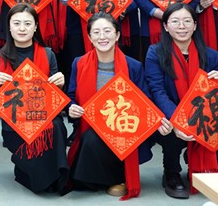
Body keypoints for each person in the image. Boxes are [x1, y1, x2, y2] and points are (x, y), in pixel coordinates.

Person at [66, 13, 173, 199]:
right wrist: (72, 107)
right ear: (89, 37)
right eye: (96, 32)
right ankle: (110, 178)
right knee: (77, 178)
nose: (102, 37)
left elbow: (145, 100)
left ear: (117, 35)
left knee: (92, 140)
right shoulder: (79, 63)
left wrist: (158, 121)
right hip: (89, 125)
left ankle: (115, 176)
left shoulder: (133, 66)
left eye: (107, 31)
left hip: (123, 129)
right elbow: (71, 96)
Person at [144, 3, 218, 199]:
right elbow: (157, 91)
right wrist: (179, 121)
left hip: (203, 117)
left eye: (187, 21)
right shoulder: (155, 53)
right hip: (170, 115)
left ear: (195, 25)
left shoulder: (212, 56)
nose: (182, 26)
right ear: (165, 26)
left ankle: (194, 160)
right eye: (175, 21)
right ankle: (171, 172)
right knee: (169, 132)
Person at [0, 4, 67, 193]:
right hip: (15, 127)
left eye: (27, 23)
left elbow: (57, 100)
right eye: (16, 23)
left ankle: (58, 178)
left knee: (57, 125)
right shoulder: (0, 58)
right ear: (9, 27)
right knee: (41, 183)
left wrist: (60, 85)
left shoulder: (48, 54)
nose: (22, 28)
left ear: (36, 27)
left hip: (43, 119)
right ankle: (30, 168)